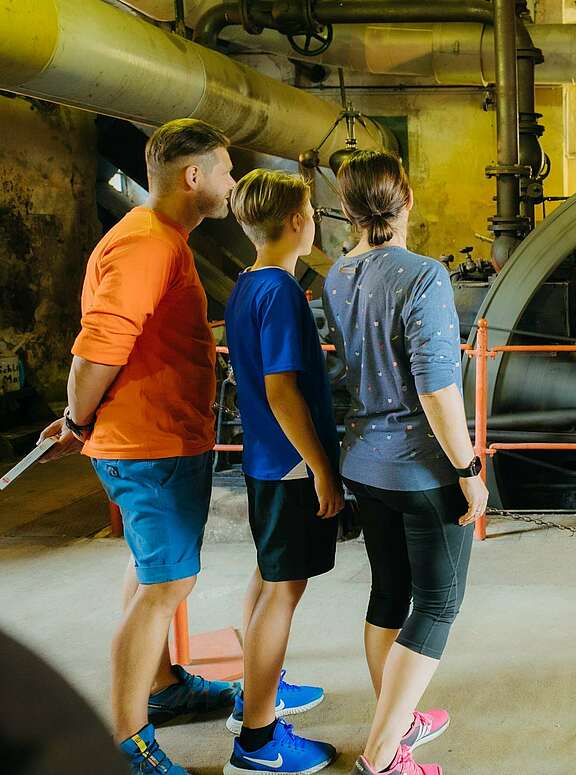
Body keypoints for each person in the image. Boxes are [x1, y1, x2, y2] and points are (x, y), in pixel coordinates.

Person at [38, 118, 238, 775]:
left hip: (158, 438)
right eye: (226, 170)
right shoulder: (147, 243)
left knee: (152, 570)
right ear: (194, 177)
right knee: (169, 581)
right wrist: (76, 416)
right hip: (148, 446)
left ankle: (164, 687)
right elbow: (97, 348)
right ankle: (129, 740)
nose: (231, 182)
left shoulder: (161, 239)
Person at [322, 150, 487, 775]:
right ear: (407, 200)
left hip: (364, 463)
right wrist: (469, 472)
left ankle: (395, 716)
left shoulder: (336, 275)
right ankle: (384, 754)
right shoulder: (423, 276)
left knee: (389, 593)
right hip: (423, 471)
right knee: (439, 605)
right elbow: (438, 389)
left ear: (347, 210)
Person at [221, 169, 344, 775]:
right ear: (298, 222)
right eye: (313, 216)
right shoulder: (284, 293)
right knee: (283, 593)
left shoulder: (246, 285)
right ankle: (258, 739)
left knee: (268, 581)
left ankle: (254, 693)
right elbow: (282, 392)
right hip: (292, 463)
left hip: (265, 460)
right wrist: (322, 467)